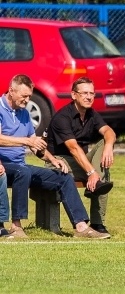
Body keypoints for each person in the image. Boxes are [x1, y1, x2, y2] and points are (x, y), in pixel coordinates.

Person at [0, 74, 109, 239]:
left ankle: (81, 227)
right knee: (24, 172)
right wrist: (26, 141)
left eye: (29, 96)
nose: (27, 100)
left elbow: (36, 146)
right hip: (4, 166)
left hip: (20, 167)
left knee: (63, 176)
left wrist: (52, 159)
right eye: (24, 96)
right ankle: (16, 226)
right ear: (11, 91)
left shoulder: (23, 113)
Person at [43, 76, 117, 235]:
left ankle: (98, 222)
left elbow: (108, 131)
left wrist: (109, 145)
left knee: (104, 145)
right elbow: (73, 148)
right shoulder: (62, 117)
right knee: (100, 174)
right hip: (59, 161)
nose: (89, 97)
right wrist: (91, 172)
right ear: (73, 95)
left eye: (92, 93)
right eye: (84, 93)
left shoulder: (92, 114)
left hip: (80, 161)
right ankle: (96, 220)